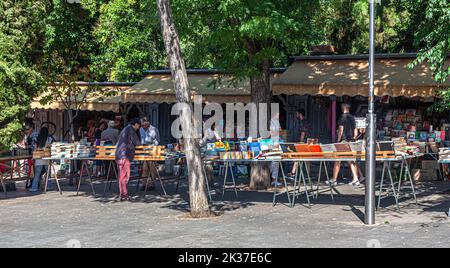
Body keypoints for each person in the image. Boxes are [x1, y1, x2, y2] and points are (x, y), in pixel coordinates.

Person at [329, 103, 360, 186]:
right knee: (351, 160)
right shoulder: (352, 118)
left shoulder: (342, 117)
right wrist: (353, 139)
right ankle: (356, 179)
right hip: (351, 141)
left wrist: (338, 141)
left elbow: (340, 130)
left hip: (344, 141)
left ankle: (334, 179)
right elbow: (356, 131)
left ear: (343, 108)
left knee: (337, 160)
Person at [115, 118, 142, 201]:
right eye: (139, 126)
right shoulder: (131, 130)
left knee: (121, 176)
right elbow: (137, 142)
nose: (138, 128)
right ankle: (124, 194)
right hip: (125, 155)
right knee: (125, 176)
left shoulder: (124, 129)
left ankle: (122, 194)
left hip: (119, 155)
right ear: (136, 124)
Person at [28, 127, 53, 192]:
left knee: (37, 174)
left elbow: (35, 149)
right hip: (47, 158)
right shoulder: (49, 139)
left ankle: (34, 187)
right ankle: (49, 186)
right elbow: (51, 148)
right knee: (48, 174)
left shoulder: (37, 139)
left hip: (39, 159)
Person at [269, 112, 282, 187]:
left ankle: (274, 179)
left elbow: (280, 131)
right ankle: (270, 175)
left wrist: (277, 132)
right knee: (273, 160)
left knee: (276, 160)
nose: (278, 115)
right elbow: (271, 133)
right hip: (271, 142)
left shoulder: (277, 121)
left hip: (277, 142)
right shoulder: (270, 121)